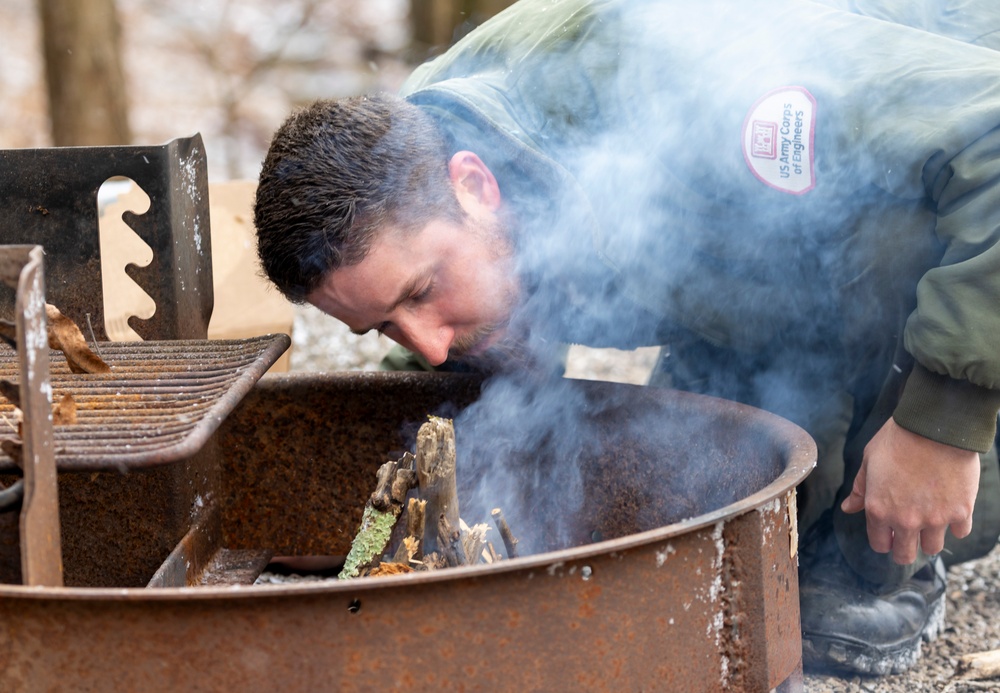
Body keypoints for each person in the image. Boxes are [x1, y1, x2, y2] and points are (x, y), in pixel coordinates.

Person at [253, 0, 1000, 676]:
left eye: (420, 293)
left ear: (475, 185)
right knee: (724, 497)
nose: (429, 344)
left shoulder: (711, 84)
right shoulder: (405, 147)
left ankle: (898, 558)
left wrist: (941, 422)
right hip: (747, 275)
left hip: (964, 199)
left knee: (892, 229)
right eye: (387, 322)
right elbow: (436, 359)